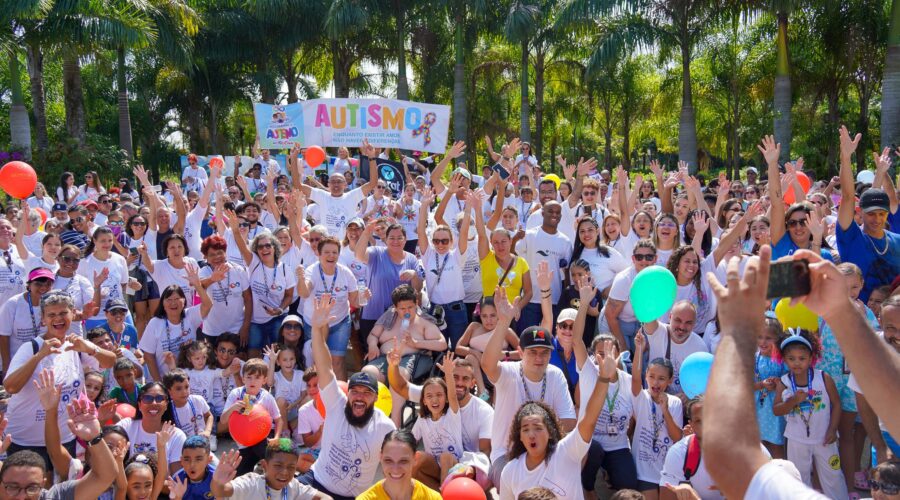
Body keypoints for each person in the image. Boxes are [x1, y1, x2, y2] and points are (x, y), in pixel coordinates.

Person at [702, 246, 829, 499]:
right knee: (761, 450)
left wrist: (737, 331)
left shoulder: (783, 358)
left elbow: (718, 460)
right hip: (760, 409)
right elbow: (748, 382)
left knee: (780, 454)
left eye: (767, 337)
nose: (762, 341)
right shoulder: (755, 356)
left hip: (782, 411)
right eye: (758, 336)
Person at [3, 291, 114, 475]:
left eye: (63, 313)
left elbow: (109, 362)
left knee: (63, 489)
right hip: (25, 440)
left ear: (73, 314)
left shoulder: (76, 345)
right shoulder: (31, 347)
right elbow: (11, 386)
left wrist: (90, 349)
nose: (58, 319)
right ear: (43, 320)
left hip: (64, 438)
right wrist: (39, 356)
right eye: (51, 315)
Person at [300, 294, 396, 500]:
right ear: (348, 393)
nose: (360, 397)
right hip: (315, 482)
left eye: (366, 392)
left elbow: (397, 466)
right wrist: (317, 330)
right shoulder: (337, 404)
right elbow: (324, 366)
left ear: (376, 398)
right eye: (355, 391)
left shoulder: (386, 427)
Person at [499, 337, 619, 500]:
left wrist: (604, 378)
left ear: (550, 432)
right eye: (525, 429)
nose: (531, 434)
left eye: (538, 427)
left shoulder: (567, 452)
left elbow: (589, 420)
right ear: (519, 436)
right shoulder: (510, 471)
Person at [481, 287, 576, 487]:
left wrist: (539, 436)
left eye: (545, 352)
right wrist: (504, 322)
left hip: (545, 451)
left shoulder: (555, 374)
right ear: (520, 352)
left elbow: (569, 422)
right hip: (506, 455)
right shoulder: (509, 372)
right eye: (533, 352)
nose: (539, 358)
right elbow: (487, 364)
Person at [771, 330, 848, 497]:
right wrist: (792, 401)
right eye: (791, 359)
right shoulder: (784, 382)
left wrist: (833, 429)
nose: (796, 363)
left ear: (811, 358)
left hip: (824, 439)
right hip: (796, 439)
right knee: (798, 479)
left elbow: (836, 404)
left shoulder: (823, 378)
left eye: (802, 358)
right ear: (784, 359)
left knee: (833, 476)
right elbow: (777, 410)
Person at [0, 400, 119, 500]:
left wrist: (94, 438)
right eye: (12, 487)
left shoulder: (56, 496)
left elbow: (104, 477)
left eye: (32, 488)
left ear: (42, 484)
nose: (22, 497)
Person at [835, 127, 900, 302]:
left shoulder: (897, 240)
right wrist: (846, 157)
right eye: (871, 214)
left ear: (888, 214)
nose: (877, 219)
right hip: (858, 321)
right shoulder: (852, 238)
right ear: (860, 213)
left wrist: (881, 174)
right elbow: (848, 196)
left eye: (881, 214)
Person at [630, 332, 684, 500]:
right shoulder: (641, 396)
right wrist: (639, 348)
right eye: (651, 377)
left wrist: (665, 410)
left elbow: (676, 437)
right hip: (644, 471)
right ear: (646, 376)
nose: (655, 382)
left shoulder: (675, 402)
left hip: (668, 470)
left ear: (670, 381)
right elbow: (635, 379)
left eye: (661, 378)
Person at [297, 236, 358, 380]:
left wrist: (364, 297)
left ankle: (341, 397)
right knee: (315, 362)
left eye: (335, 252)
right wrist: (300, 279)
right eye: (327, 252)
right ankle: (315, 397)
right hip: (315, 324)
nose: (331, 256)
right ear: (319, 254)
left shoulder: (345, 273)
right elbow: (304, 293)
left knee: (337, 362)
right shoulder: (312, 271)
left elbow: (355, 301)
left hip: (339, 322)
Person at [416, 190, 473, 347]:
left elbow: (464, 232)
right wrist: (424, 206)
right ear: (433, 241)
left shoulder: (456, 255)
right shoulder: (428, 255)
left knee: (458, 348)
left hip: (456, 309)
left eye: (444, 241)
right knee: (438, 350)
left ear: (451, 241)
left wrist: (468, 208)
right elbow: (421, 230)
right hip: (436, 310)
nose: (440, 244)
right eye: (436, 241)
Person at [137, 265, 212, 382]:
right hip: (163, 379)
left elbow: (208, 305)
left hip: (189, 379)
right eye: (169, 300)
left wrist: (197, 284)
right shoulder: (155, 323)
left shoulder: (190, 316)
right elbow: (148, 356)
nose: (173, 303)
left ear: (184, 301)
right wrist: (159, 383)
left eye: (177, 299)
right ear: (162, 303)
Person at [295, 140, 379, 240]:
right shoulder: (322, 195)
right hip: (327, 247)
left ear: (345, 184)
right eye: (333, 182)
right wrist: (293, 157)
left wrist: (372, 157)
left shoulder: (352, 196)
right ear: (328, 185)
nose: (336, 184)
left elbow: (373, 183)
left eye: (339, 181)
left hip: (346, 246)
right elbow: (298, 185)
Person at [221, 358, 283, 476]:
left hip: (263, 437)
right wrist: (233, 408)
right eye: (249, 377)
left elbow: (278, 420)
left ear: (264, 380)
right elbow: (223, 420)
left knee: (269, 458)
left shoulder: (267, 397)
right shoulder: (236, 394)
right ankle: (258, 465)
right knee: (239, 476)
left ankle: (271, 470)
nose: (252, 381)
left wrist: (276, 437)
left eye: (257, 377)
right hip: (244, 442)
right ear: (243, 378)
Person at [210, 440, 329, 499]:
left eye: (291, 467)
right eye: (278, 465)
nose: (284, 472)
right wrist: (217, 482)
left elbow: (325, 498)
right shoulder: (251, 483)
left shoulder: (294, 486)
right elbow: (220, 491)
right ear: (264, 465)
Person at [117, 382, 187, 474]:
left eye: (159, 398)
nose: (154, 403)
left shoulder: (177, 435)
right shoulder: (126, 426)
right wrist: (101, 421)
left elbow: (176, 480)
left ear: (166, 404)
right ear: (139, 405)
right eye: (147, 398)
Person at [357, 430, 443, 500]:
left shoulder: (433, 498)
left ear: (415, 459)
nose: (395, 469)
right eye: (388, 460)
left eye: (403, 461)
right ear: (380, 457)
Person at [168, 435, 215, 500]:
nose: (192, 464)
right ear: (181, 461)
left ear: (209, 460)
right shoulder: (177, 480)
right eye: (187, 459)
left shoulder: (217, 478)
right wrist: (178, 498)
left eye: (198, 459)